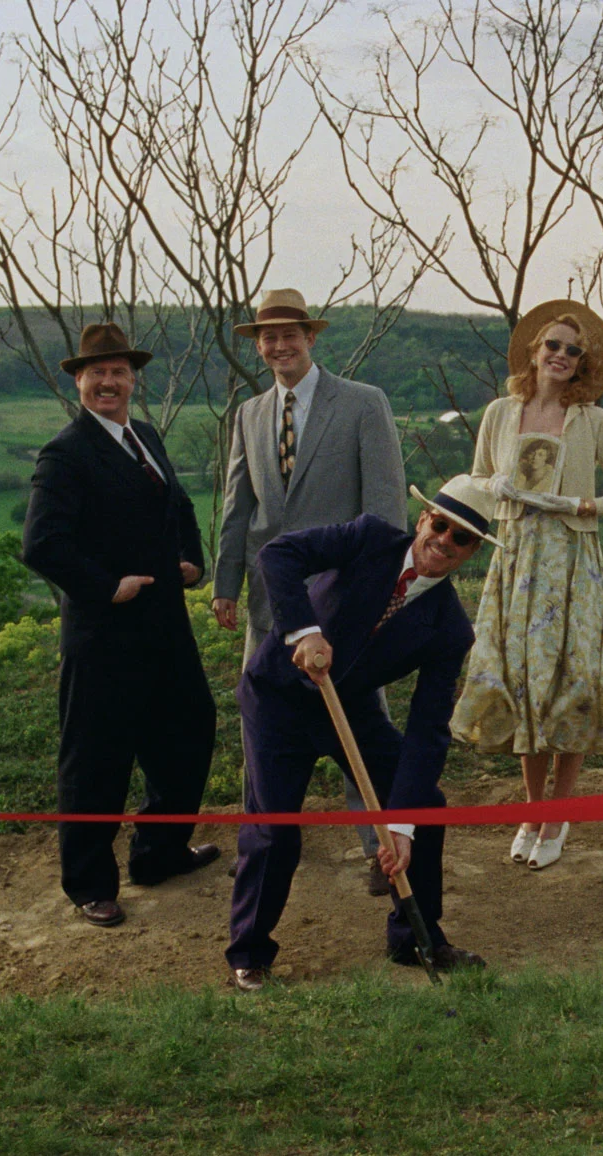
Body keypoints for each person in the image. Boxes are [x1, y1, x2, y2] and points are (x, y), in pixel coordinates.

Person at [226, 476, 497, 991]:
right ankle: (249, 951)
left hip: (348, 710)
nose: (445, 540)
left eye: (461, 538)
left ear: (471, 552)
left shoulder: (451, 629)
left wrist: (401, 825)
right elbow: (278, 555)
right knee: (275, 826)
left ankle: (415, 938)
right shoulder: (370, 537)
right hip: (278, 697)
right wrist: (304, 631)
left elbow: (427, 731)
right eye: (441, 525)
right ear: (423, 519)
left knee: (424, 808)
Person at [22, 323, 219, 928]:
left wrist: (192, 562)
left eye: (119, 372)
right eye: (96, 373)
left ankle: (158, 854)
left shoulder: (146, 437)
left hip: (165, 626)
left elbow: (181, 507)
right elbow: (42, 545)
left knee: (188, 732)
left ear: (133, 379)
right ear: (78, 380)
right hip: (103, 634)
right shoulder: (66, 453)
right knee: (97, 760)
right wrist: (108, 587)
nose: (109, 382)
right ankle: (89, 885)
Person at [212, 287, 408, 891]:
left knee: (360, 724)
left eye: (289, 334)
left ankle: (382, 845)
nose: (278, 346)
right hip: (271, 601)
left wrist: (382, 594)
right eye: (267, 337)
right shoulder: (249, 414)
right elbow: (238, 505)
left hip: (342, 602)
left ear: (311, 338)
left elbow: (385, 509)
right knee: (259, 717)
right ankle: (261, 841)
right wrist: (225, 582)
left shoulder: (362, 404)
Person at [451, 300, 603, 871]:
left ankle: (559, 815)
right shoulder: (499, 413)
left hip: (571, 565)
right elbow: (478, 480)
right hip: (514, 563)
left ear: (582, 362)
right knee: (521, 685)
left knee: (570, 684)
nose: (561, 356)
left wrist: (579, 503)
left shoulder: (593, 421)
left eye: (572, 350)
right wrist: (501, 488)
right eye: (552, 346)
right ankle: (532, 812)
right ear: (533, 353)